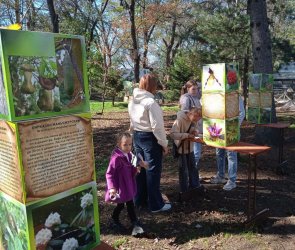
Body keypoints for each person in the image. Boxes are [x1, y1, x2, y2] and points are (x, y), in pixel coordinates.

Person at [128, 74, 171, 213]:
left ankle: (139, 200)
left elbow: (132, 121)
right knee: (152, 171)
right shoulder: (151, 103)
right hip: (149, 138)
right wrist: (164, 144)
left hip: (137, 136)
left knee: (140, 169)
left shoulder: (133, 101)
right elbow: (157, 126)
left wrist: (131, 134)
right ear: (153, 86)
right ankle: (156, 205)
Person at [105, 132, 148, 236]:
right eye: (125, 144)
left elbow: (130, 169)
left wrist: (137, 169)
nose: (128, 147)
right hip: (120, 187)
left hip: (128, 185)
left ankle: (134, 222)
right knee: (120, 205)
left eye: (130, 144)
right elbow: (109, 174)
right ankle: (115, 218)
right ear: (119, 144)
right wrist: (111, 188)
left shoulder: (129, 155)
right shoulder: (116, 158)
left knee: (130, 204)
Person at [210, 95, 246, 190]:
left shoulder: (236, 96)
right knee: (219, 153)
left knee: (231, 155)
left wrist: (233, 126)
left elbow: (241, 113)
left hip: (231, 132)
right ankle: (220, 176)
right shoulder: (218, 96)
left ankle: (232, 180)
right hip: (219, 131)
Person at [170, 107, 204, 193]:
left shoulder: (194, 120)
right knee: (183, 170)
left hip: (190, 148)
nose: (197, 120)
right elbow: (173, 135)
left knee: (193, 167)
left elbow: (194, 128)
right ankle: (184, 190)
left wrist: (195, 131)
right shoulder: (179, 120)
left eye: (199, 118)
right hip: (181, 149)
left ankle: (195, 185)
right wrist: (187, 135)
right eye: (196, 118)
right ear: (191, 114)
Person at [179, 80, 203, 179]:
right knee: (195, 153)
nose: (196, 90)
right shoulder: (186, 98)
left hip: (197, 128)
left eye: (197, 89)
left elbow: (203, 87)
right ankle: (192, 175)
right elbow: (184, 113)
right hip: (191, 130)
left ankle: (193, 174)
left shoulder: (196, 96)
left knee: (196, 153)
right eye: (193, 89)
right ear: (188, 89)